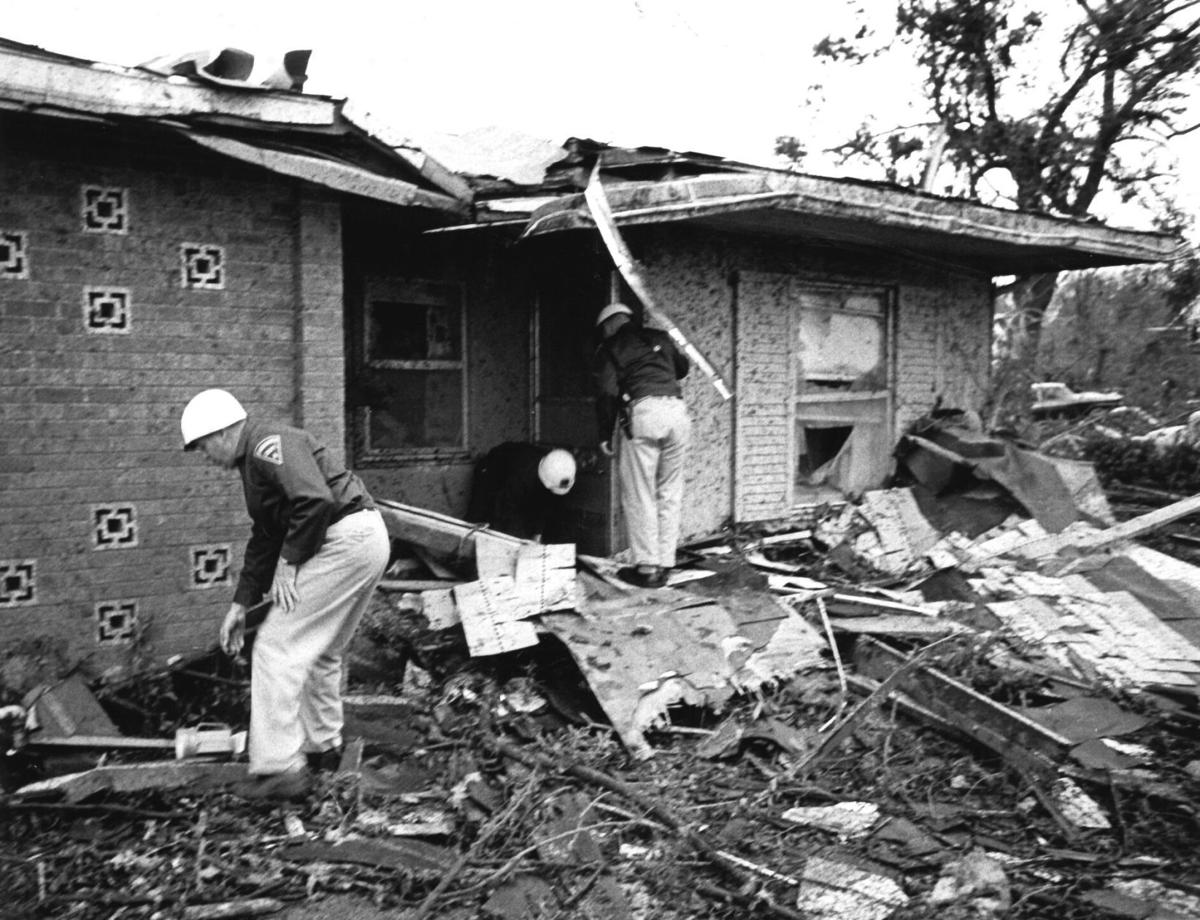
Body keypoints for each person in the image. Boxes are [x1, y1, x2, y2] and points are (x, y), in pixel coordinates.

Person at [180, 389, 390, 799]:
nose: (205, 456)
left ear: (223, 433)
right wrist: (239, 604)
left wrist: (289, 565)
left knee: (276, 647)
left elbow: (313, 501)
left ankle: (280, 768)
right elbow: (266, 535)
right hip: (364, 538)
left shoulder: (266, 444)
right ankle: (323, 749)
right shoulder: (254, 462)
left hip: (345, 539)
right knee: (322, 650)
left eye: (204, 446)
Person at [592, 302, 691, 588]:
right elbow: (682, 368)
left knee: (640, 491)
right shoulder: (660, 337)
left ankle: (647, 568)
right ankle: (665, 563)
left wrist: (603, 435)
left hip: (644, 412)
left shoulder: (611, 346)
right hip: (677, 413)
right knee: (670, 491)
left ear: (609, 325)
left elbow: (608, 393)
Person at [465, 442, 577, 541]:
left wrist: (537, 534)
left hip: (520, 469)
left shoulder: (558, 468)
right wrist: (516, 542)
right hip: (491, 469)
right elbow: (506, 510)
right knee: (479, 513)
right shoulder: (520, 477)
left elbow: (545, 505)